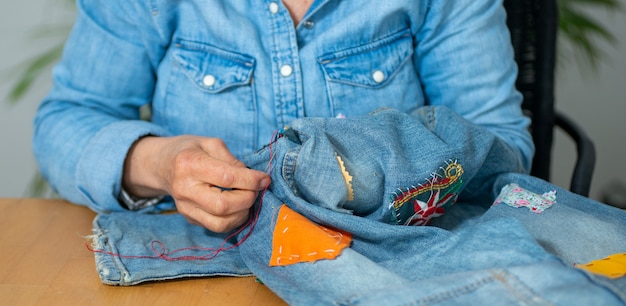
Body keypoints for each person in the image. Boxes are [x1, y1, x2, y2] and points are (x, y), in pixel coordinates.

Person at [33, 0, 533, 233]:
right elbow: (67, 120)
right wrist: (159, 162)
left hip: (396, 261)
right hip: (199, 265)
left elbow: (501, 146)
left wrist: (381, 165)